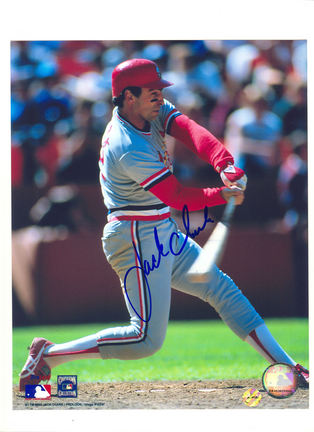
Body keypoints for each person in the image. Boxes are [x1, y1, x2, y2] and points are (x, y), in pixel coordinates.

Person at [19, 58, 309, 391]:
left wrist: (224, 163)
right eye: (152, 91)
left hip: (159, 229)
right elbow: (177, 197)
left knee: (223, 289)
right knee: (145, 340)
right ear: (129, 97)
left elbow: (190, 130)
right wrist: (222, 194)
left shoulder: (150, 111)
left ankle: (289, 367)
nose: (160, 96)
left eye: (160, 90)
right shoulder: (126, 144)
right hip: (134, 237)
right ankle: (50, 355)